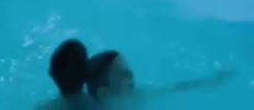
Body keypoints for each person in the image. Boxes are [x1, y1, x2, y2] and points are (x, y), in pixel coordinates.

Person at [39, 43, 236, 108]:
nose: (131, 75)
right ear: (105, 93)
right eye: (124, 74)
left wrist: (211, 81)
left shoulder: (133, 97)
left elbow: (174, 88)